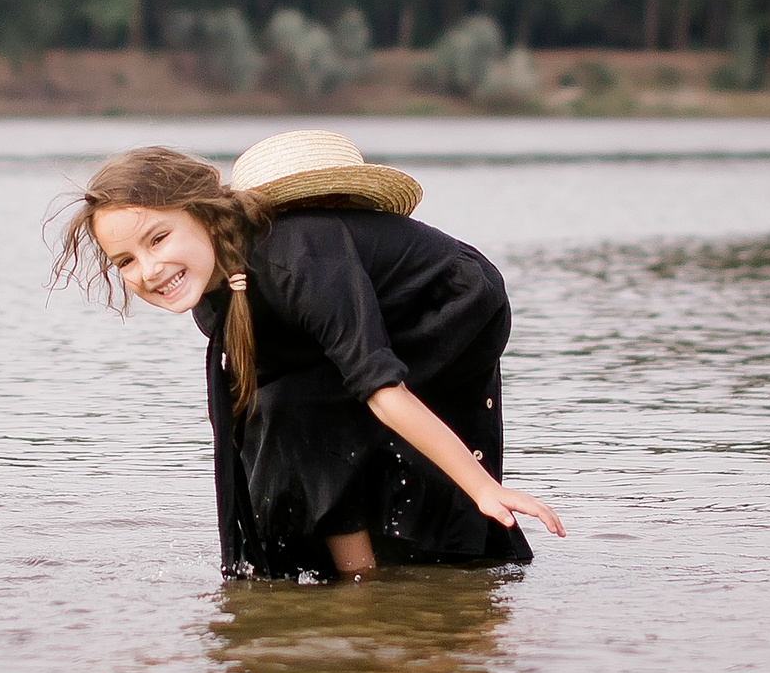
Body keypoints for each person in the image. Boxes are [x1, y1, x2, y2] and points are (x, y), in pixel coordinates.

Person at [53, 129, 565, 579]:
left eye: (159, 238)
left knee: (320, 408)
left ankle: (374, 577)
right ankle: (357, 574)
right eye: (126, 260)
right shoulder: (217, 304)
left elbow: (380, 386)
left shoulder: (297, 261)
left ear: (206, 216)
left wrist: (481, 488)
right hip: (358, 306)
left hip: (447, 304)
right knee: (280, 414)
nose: (149, 269)